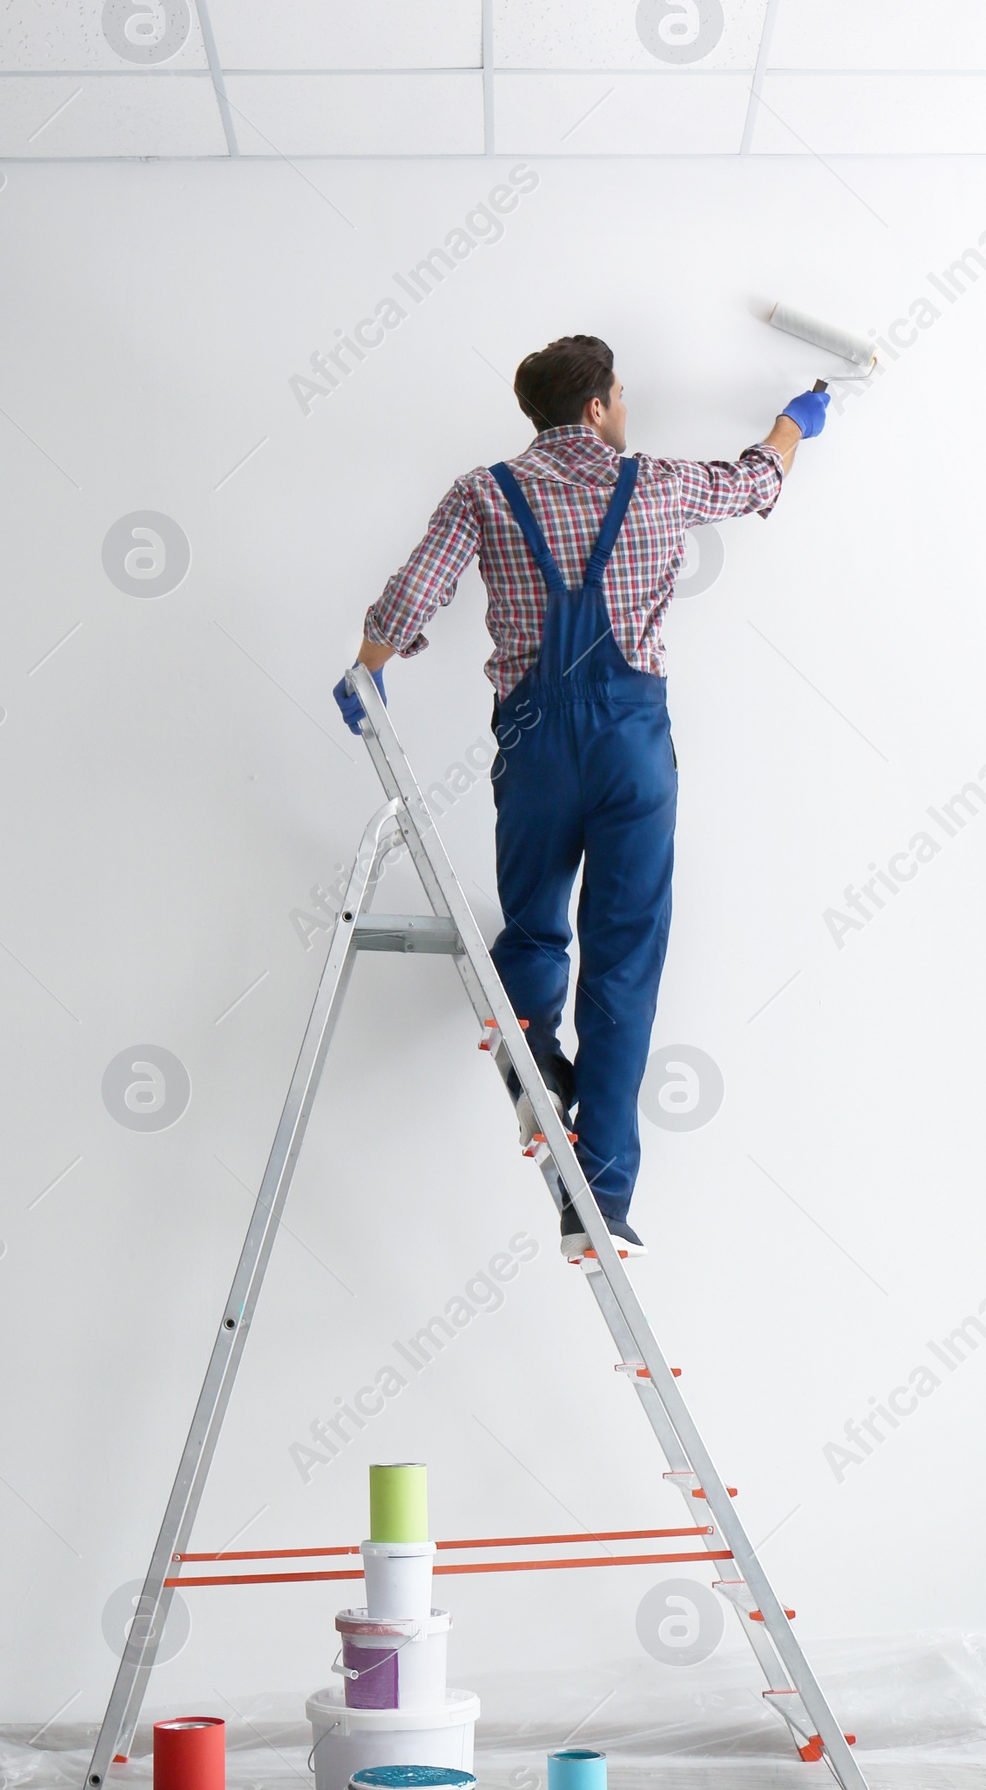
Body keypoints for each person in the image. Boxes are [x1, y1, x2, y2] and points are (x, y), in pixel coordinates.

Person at [334, 334, 827, 1257]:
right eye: (622, 396)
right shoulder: (661, 482)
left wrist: (366, 671)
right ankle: (595, 1201)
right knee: (626, 957)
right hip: (632, 749)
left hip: (532, 747)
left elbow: (411, 598)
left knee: (531, 930)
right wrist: (796, 422)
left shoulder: (485, 490)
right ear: (598, 407)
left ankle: (531, 1074)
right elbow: (757, 480)